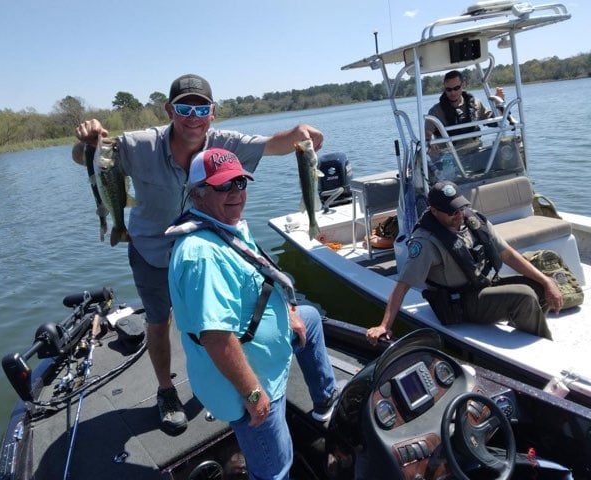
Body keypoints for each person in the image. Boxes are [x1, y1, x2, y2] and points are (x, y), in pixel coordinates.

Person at [72, 73, 324, 434]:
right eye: (184, 108)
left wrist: (301, 131)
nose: (193, 116)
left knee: (218, 325)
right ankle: (166, 391)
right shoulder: (141, 144)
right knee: (158, 323)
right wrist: (85, 141)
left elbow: (275, 144)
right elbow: (90, 159)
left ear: (213, 111)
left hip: (209, 253)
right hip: (152, 251)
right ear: (169, 110)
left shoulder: (226, 143)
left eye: (201, 108)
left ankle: (224, 382)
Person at [165, 148, 339, 480]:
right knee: (276, 465)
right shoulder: (202, 254)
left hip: (262, 348)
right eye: (223, 186)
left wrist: (288, 310)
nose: (236, 193)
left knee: (311, 318)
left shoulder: (222, 226)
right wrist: (255, 395)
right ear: (197, 193)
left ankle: (324, 402)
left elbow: (263, 276)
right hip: (251, 384)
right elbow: (216, 339)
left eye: (240, 182)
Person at [366, 181, 563, 345]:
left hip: (483, 286)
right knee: (525, 296)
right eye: (452, 212)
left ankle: (526, 336)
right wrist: (384, 325)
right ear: (434, 211)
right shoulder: (426, 242)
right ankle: (544, 347)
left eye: (460, 208)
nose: (459, 214)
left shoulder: (472, 220)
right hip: (459, 303)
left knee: (539, 287)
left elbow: (507, 254)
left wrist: (547, 281)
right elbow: (402, 285)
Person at [425, 70, 504, 154]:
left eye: (456, 88)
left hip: (475, 153)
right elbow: (427, 133)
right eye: (449, 89)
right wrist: (430, 144)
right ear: (444, 87)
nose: (453, 92)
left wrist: (500, 102)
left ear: (463, 84)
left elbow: (495, 121)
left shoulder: (475, 104)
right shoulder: (435, 111)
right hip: (449, 157)